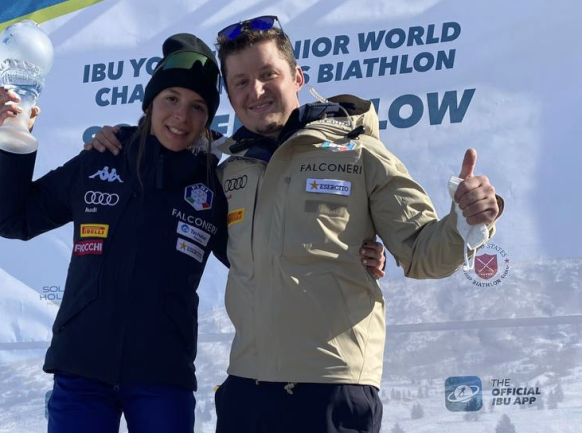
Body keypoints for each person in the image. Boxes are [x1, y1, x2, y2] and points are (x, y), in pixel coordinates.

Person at [89, 16, 502, 433]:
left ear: (297, 77)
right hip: (246, 390)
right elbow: (166, 178)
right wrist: (122, 140)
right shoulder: (226, 171)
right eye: (241, 82)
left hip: (331, 390)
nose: (256, 91)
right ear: (230, 96)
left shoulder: (360, 153)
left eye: (268, 74)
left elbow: (421, 253)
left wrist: (465, 223)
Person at [0, 33, 229, 433]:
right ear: (149, 103)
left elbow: (255, 257)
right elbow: (14, 220)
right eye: (171, 98)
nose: (181, 117)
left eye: (198, 107)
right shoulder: (102, 156)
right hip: (82, 369)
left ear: (208, 119)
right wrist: (15, 141)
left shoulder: (214, 185)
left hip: (162, 376)